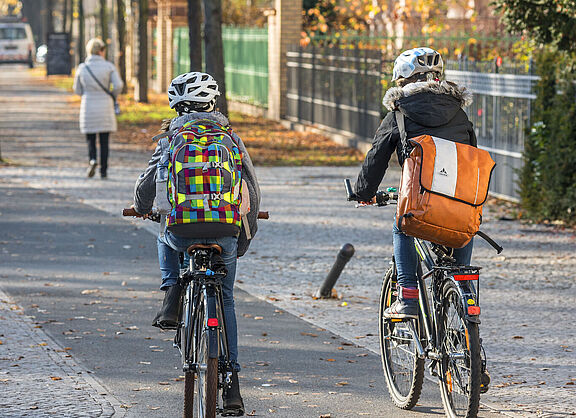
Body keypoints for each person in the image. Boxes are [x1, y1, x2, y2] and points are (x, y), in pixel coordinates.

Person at [132, 71, 260, 415]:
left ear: (177, 106)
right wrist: (242, 237)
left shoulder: (172, 137)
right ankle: (232, 384)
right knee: (228, 299)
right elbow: (252, 189)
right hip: (225, 233)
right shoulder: (230, 137)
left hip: (181, 233)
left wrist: (144, 209)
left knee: (163, 227)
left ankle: (172, 290)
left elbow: (149, 188)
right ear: (213, 103)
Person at [354, 47, 476, 319]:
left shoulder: (399, 112)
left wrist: (363, 192)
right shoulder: (458, 112)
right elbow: (471, 155)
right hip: (458, 197)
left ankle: (408, 296)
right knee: (465, 222)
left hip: (419, 200)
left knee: (402, 225)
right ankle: (465, 293)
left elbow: (376, 158)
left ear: (403, 81)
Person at [73, 38, 123, 179]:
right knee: (104, 140)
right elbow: (118, 85)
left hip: (88, 105)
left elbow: (76, 89)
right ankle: (104, 170)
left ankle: (92, 159)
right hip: (105, 105)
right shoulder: (109, 67)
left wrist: (86, 93)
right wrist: (112, 95)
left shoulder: (82, 68)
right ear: (101, 51)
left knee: (90, 138)